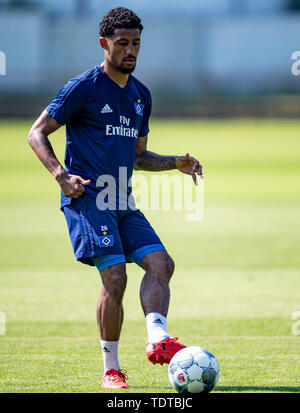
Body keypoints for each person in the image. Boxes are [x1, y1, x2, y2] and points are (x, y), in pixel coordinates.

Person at [28, 7, 203, 389]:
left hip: (121, 199)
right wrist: (60, 174)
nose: (131, 50)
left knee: (161, 263)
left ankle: (157, 340)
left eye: (136, 43)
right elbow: (37, 132)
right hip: (88, 198)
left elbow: (138, 155)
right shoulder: (83, 88)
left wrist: (176, 163)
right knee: (116, 278)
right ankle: (111, 369)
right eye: (122, 43)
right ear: (104, 44)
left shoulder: (141, 96)